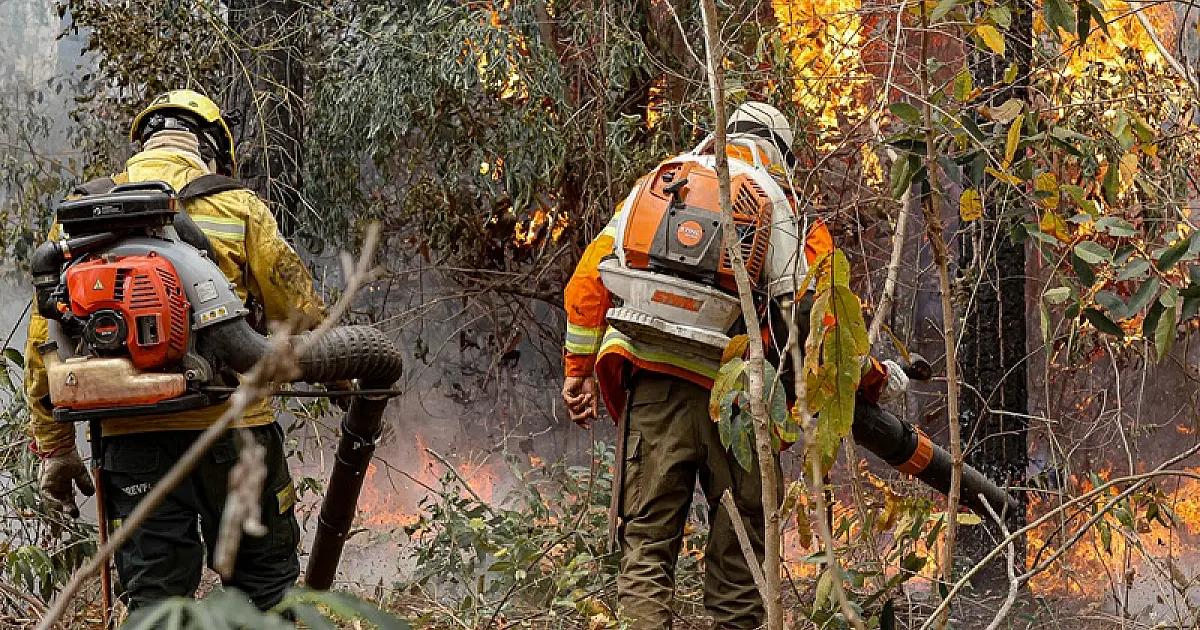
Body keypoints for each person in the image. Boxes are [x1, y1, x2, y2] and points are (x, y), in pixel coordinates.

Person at [560, 101, 906, 629]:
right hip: (742, 406)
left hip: (654, 393)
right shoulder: (780, 205)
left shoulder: (661, 183)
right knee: (740, 571)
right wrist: (870, 379)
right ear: (782, 154)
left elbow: (589, 277)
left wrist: (577, 370)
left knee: (647, 555)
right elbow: (816, 319)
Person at [24, 89, 325, 613]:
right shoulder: (237, 206)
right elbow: (298, 307)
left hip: (130, 441)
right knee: (265, 588)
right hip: (235, 433)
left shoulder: (79, 218)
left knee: (156, 601)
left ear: (141, 142)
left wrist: (56, 448)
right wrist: (340, 370)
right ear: (210, 147)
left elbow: (43, 343)